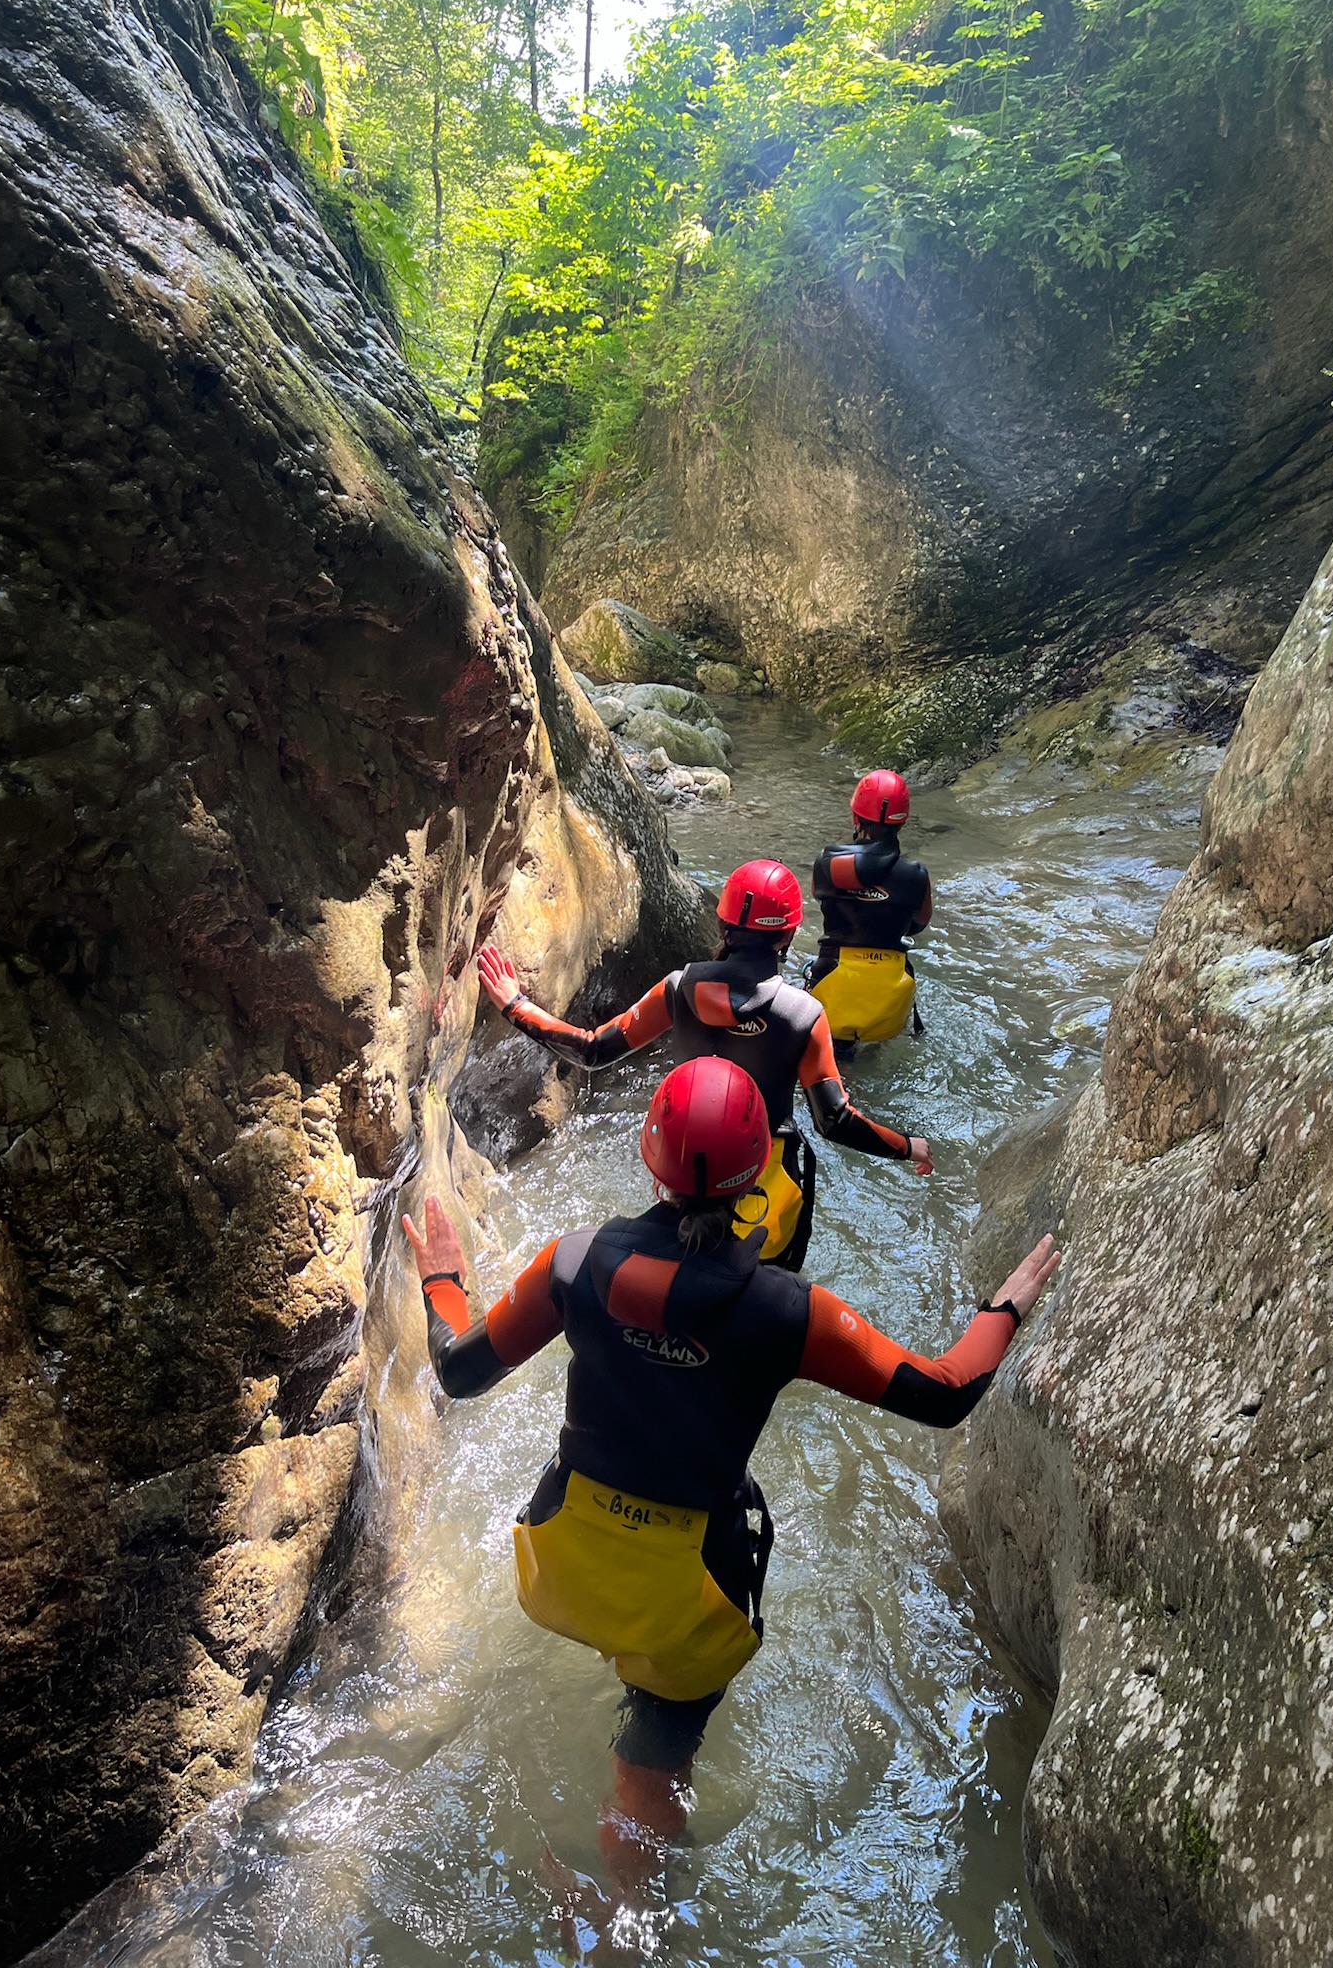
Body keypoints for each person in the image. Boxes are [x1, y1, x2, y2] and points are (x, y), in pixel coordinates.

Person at [401, 1054, 1059, 1908]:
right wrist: (1004, 1306)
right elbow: (945, 1393)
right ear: (758, 1171)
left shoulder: (573, 1265)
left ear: (649, 1154)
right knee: (656, 1756)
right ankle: (624, 1922)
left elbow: (458, 1368)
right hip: (686, 1600)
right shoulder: (785, 1311)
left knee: (620, 1599)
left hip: (559, 1561)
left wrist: (443, 1277)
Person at [472, 858, 931, 1272]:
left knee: (677, 1270)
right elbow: (833, 1120)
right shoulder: (801, 1014)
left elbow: (592, 1050)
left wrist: (515, 1004)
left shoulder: (679, 989)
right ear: (789, 934)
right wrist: (907, 1145)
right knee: (761, 1292)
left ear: (723, 922)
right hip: (763, 1175)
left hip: (684, 1168)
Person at [807, 769, 932, 1048]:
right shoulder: (917, 875)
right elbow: (920, 923)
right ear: (902, 823)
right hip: (889, 997)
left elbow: (819, 896)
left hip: (833, 979)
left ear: (855, 816)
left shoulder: (827, 863)